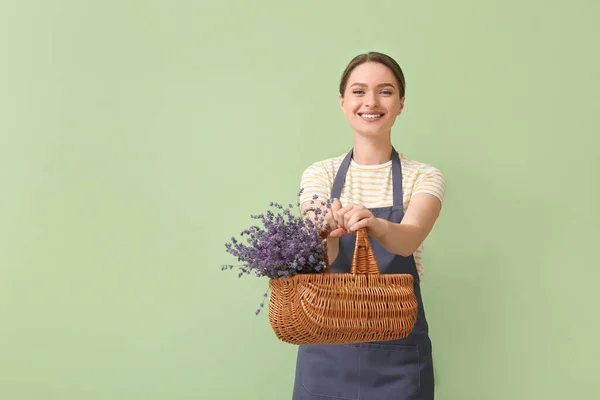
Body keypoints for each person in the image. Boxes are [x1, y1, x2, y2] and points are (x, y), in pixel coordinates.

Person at [293, 52, 447, 400]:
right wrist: (327, 232)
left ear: (401, 103)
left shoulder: (423, 176)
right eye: (359, 91)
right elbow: (322, 260)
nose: (371, 103)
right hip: (326, 353)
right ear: (343, 101)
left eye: (386, 91)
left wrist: (375, 224)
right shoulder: (320, 174)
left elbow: (408, 241)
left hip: (399, 356)